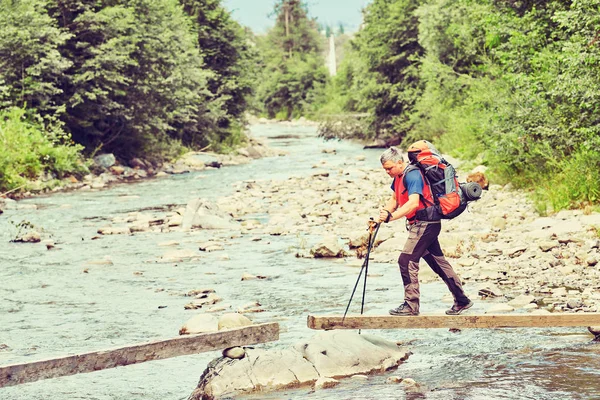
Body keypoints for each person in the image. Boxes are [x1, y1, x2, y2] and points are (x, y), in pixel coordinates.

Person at [378, 146, 473, 316]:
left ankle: (411, 305)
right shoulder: (398, 177)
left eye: (389, 168)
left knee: (406, 260)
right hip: (422, 224)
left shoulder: (412, 174)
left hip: (426, 223)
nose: (387, 172)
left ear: (400, 162)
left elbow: (413, 203)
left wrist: (391, 217)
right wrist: (383, 214)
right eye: (385, 169)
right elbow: (394, 199)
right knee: (438, 263)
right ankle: (462, 300)